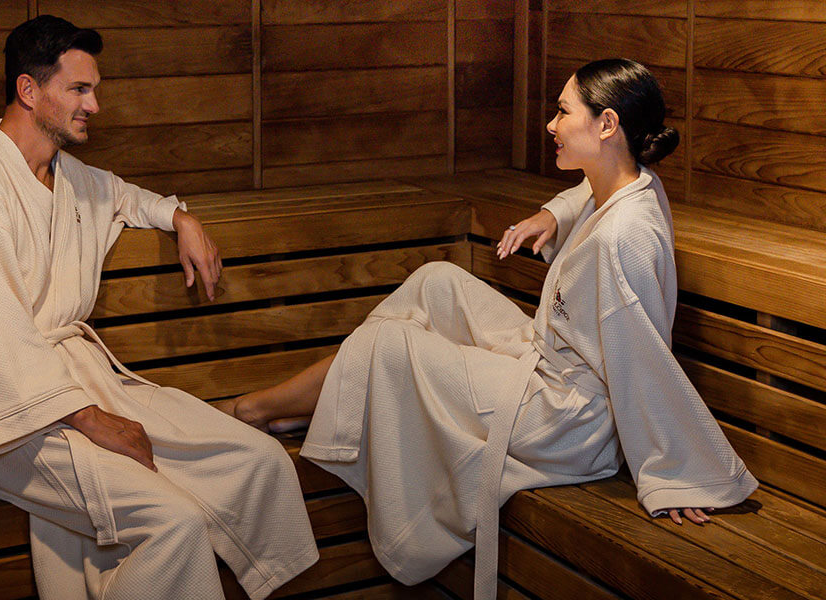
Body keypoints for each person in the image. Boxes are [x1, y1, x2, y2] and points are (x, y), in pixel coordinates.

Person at [216, 58, 758, 599]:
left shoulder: (623, 238)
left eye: (564, 111)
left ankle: (253, 409)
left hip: (569, 420)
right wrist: (553, 213)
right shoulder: (633, 184)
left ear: (608, 124)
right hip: (554, 364)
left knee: (389, 344)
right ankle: (335, 403)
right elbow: (593, 194)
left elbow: (642, 359)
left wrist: (678, 471)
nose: (551, 124)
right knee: (437, 282)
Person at [0, 15, 316, 600]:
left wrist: (181, 218)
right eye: (79, 89)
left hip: (76, 382)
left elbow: (124, 196)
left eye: (93, 89)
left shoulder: (62, 175)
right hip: (0, 418)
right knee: (174, 522)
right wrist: (94, 421)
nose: (94, 104)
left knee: (255, 456)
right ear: (29, 90)